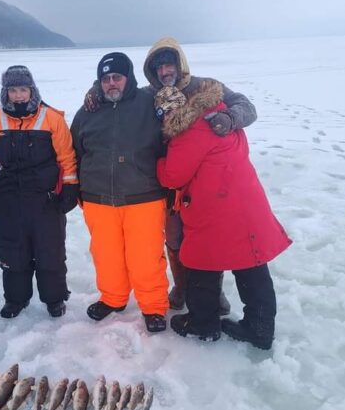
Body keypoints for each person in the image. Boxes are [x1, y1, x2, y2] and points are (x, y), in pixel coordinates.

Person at [85, 37, 257, 314]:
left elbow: (247, 107)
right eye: (158, 68)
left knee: (207, 238)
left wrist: (230, 119)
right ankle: (182, 287)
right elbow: (119, 91)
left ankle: (214, 297)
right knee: (174, 239)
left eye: (169, 65)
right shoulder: (149, 94)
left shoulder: (206, 87)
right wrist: (95, 90)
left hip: (206, 180)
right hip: (167, 180)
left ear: (180, 63)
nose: (164, 72)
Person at [155, 81, 292, 349]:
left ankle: (203, 325)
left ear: (180, 110)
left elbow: (173, 175)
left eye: (168, 113)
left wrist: (159, 160)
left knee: (202, 265)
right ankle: (260, 328)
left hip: (215, 211)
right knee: (251, 264)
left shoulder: (190, 131)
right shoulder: (218, 115)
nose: (167, 118)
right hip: (246, 204)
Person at [71, 52, 169, 333]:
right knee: (106, 254)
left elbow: (168, 145)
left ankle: (153, 307)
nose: (111, 83)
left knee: (146, 256)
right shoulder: (87, 111)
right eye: (105, 79)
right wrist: (77, 189)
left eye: (117, 77)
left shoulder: (150, 104)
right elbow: (75, 152)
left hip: (145, 195)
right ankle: (113, 298)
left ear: (129, 78)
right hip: (98, 198)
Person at [0, 66, 79, 319]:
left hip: (46, 199)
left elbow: (66, 157)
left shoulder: (52, 118)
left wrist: (71, 188)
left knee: (49, 250)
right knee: (12, 250)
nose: (18, 95)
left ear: (32, 90)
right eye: (13, 90)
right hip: (9, 199)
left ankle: (54, 298)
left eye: (22, 89)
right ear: (5, 92)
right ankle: (16, 299)